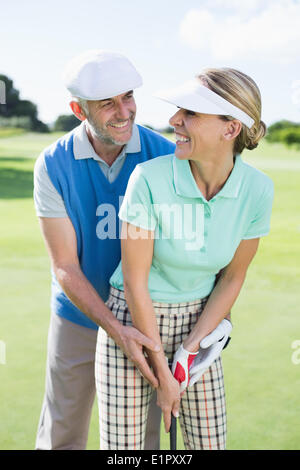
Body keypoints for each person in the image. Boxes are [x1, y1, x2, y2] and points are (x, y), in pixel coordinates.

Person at [95, 67, 274, 450]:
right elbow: (134, 279)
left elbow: (232, 278)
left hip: (200, 321)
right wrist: (162, 368)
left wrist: (190, 349)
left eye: (190, 112)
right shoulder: (148, 178)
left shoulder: (258, 190)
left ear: (231, 129)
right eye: (179, 110)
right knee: (123, 453)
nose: (174, 120)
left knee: (210, 445)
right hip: (133, 324)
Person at [33, 49, 177, 450]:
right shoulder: (52, 164)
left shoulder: (165, 156)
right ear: (79, 110)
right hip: (77, 313)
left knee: (142, 439)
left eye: (128, 96)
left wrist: (142, 328)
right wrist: (115, 329)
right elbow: (64, 265)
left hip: (148, 318)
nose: (124, 111)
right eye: (107, 103)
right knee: (61, 430)